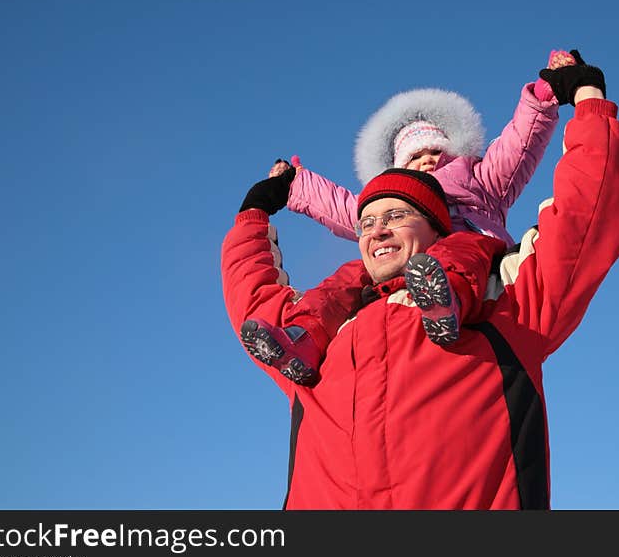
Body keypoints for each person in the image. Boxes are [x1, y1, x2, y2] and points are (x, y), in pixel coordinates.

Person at [220, 53, 619, 509]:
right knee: (339, 285)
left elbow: (564, 192)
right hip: (377, 304)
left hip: (468, 275)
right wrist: (275, 198)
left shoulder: (506, 295)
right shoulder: (325, 352)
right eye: (370, 223)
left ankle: (445, 300)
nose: (378, 229)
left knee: (461, 255)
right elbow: (269, 283)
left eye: (397, 216)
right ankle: (304, 330)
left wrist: (562, 98)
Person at [238, 50, 578, 385]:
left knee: (458, 247)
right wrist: (295, 184)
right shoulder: (395, 198)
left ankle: (445, 302)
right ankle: (303, 335)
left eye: (436, 151)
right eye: (417, 155)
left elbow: (518, 146)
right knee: (349, 277)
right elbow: (344, 209)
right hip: (404, 267)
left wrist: (542, 96)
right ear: (400, 165)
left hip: (470, 261)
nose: (429, 160)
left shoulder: (478, 179)